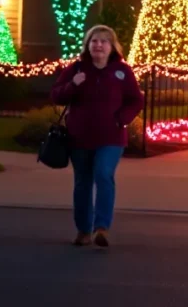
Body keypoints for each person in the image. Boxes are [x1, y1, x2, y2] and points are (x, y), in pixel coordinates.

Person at [51, 24, 144, 248]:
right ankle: (83, 230)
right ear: (88, 45)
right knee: (83, 182)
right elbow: (56, 95)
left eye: (103, 41)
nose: (98, 45)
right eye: (94, 41)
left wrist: (122, 118)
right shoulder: (76, 69)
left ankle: (101, 228)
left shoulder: (122, 72)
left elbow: (136, 99)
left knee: (103, 175)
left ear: (112, 47)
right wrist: (73, 85)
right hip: (79, 136)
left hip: (111, 137)